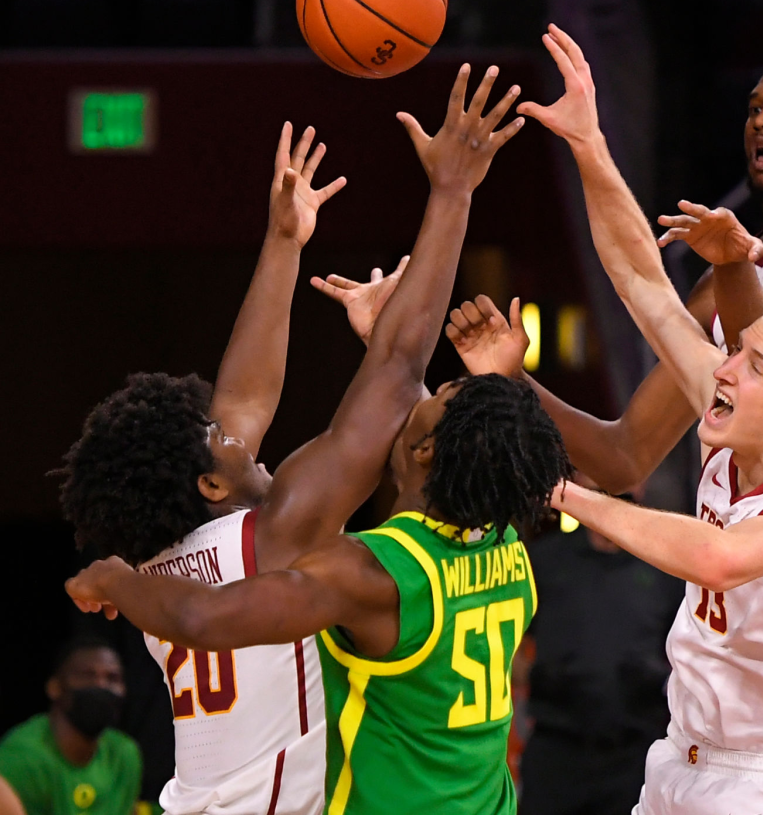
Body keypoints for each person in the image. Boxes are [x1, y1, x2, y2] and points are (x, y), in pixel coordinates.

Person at [473, 29, 763, 777]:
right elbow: (625, 453)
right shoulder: (721, 295)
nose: (762, 120)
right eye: (755, 107)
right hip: (740, 587)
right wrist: (511, 377)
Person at [58, 64, 524, 815]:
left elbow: (244, 397)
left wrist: (284, 243)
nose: (244, 428)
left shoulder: (155, 572)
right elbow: (399, 365)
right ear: (209, 484)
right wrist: (452, 191)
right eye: (223, 437)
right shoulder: (274, 536)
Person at [65, 370, 573, 815]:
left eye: (436, 394)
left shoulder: (368, 573)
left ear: (426, 448)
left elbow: (202, 617)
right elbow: (447, 440)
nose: (424, 395)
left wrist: (115, 579)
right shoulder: (509, 549)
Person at [518, 518, 683, 815]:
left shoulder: (666, 568)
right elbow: (507, 647)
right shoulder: (544, 559)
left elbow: (690, 656)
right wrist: (540, 674)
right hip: (556, 750)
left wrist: (660, 678)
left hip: (635, 754)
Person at [0, 637, 141, 815]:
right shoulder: (20, 758)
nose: (101, 685)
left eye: (112, 678)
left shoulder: (124, 754)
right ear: (55, 687)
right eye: (87, 675)